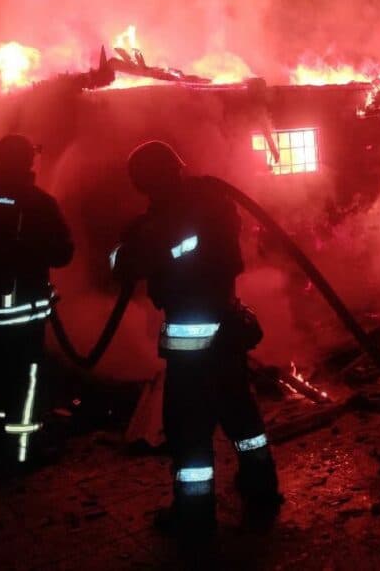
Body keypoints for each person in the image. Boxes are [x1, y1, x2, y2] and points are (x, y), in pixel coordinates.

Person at [112, 140, 281, 536]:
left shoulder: (164, 222)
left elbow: (125, 265)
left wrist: (131, 243)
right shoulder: (213, 206)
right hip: (227, 330)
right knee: (241, 414)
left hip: (191, 344)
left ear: (144, 181)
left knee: (188, 428)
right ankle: (261, 488)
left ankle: (194, 514)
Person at [0, 134, 73, 465]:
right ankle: (23, 451)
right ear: (27, 160)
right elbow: (62, 253)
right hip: (21, 311)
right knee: (26, 377)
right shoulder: (37, 201)